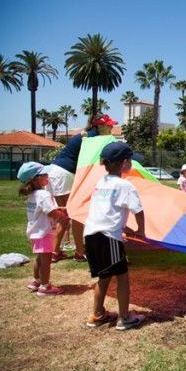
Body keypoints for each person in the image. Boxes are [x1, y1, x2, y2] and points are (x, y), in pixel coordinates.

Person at [83, 142, 145, 330]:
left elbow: (108, 212)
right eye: (131, 160)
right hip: (107, 237)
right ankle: (124, 318)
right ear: (124, 162)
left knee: (104, 277)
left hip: (92, 234)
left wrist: (125, 229)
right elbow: (138, 210)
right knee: (123, 277)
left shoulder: (100, 183)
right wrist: (141, 230)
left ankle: (98, 315)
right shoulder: (124, 185)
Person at [47, 113, 117, 263]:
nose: (112, 127)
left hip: (56, 171)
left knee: (65, 214)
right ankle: (78, 252)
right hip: (64, 173)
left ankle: (55, 251)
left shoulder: (89, 135)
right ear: (99, 126)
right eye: (109, 125)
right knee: (73, 213)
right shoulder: (92, 138)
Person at [17, 162, 69, 296]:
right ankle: (45, 287)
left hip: (35, 232)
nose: (48, 176)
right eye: (45, 174)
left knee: (40, 258)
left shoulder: (33, 195)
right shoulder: (44, 195)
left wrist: (59, 209)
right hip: (44, 232)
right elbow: (50, 212)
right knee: (46, 260)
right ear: (36, 179)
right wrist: (62, 215)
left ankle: (37, 281)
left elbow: (43, 210)